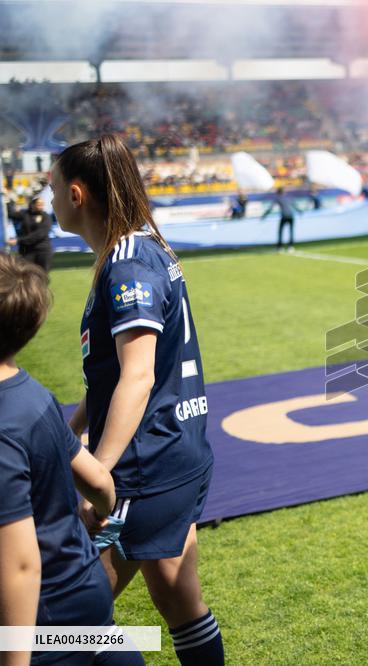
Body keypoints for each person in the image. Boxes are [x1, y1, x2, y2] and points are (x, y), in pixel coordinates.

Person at [49, 135, 224, 665]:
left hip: (143, 465)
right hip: (178, 450)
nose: (47, 199)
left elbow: (137, 377)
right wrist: (73, 426)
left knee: (63, 619)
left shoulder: (127, 263)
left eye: (51, 188)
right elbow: (110, 377)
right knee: (176, 594)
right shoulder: (140, 247)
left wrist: (99, 471)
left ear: (77, 194)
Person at [0, 254, 144, 666]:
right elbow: (99, 481)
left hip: (43, 621)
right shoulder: (36, 396)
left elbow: (22, 567)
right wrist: (98, 512)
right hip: (87, 593)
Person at [6, 197, 54, 273]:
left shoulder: (46, 217)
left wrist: (19, 240)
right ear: (32, 205)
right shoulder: (25, 214)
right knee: (25, 273)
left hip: (42, 250)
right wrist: (8, 201)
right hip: (27, 250)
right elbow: (11, 214)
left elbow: (39, 234)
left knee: (42, 274)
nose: (41, 206)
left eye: (42, 204)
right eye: (39, 204)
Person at [261, 186, 300, 250]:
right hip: (291, 216)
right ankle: (291, 246)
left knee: (280, 231)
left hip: (284, 216)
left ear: (278, 192)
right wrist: (300, 211)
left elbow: (271, 208)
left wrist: (264, 215)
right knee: (291, 231)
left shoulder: (278, 198)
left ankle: (280, 247)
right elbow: (294, 205)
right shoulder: (288, 197)